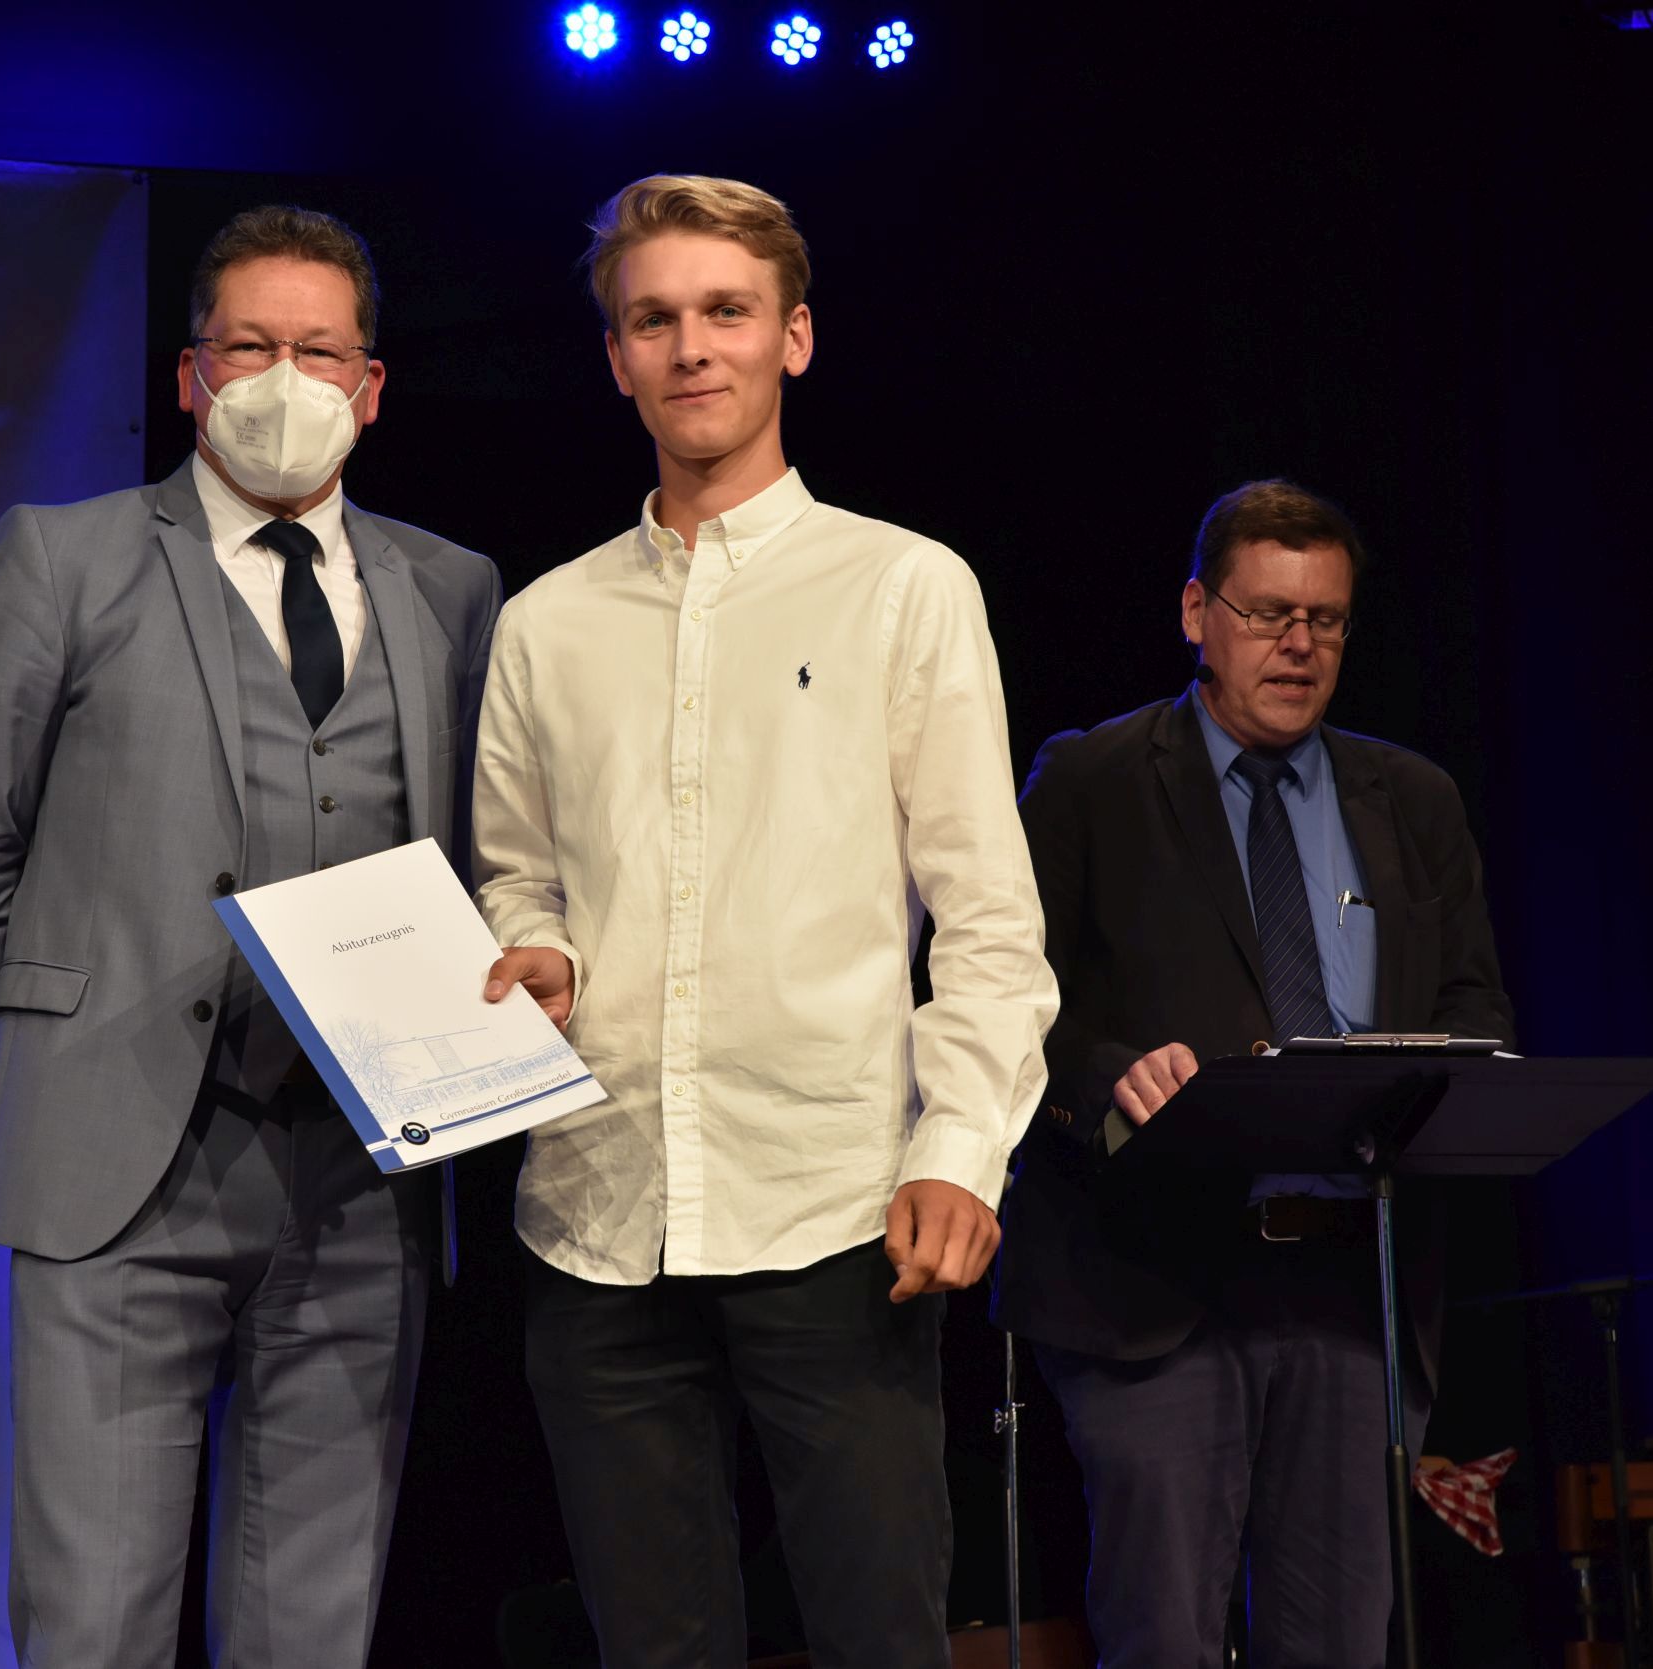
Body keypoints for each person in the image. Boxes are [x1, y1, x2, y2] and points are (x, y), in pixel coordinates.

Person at [0, 205, 498, 1668]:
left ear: (369, 386)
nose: (283, 379)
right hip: (122, 1174)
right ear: (189, 375)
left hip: (361, 1179)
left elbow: (481, 865)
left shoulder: (450, 588)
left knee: (315, 1627)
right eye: (248, 346)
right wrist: (84, 1040)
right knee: (96, 1621)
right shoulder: (65, 558)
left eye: (318, 351)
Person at [474, 174, 1059, 1669]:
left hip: (834, 1203)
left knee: (877, 1637)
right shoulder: (545, 622)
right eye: (652, 319)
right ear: (615, 356)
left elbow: (988, 915)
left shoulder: (903, 586)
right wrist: (537, 947)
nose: (691, 347)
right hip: (600, 1209)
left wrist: (960, 1148)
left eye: (726, 311)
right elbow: (517, 875)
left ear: (793, 337)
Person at [994, 479, 1516, 1668]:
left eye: (1324, 619)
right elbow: (1006, 993)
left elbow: (1473, 1002)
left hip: (1354, 1287)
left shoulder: (1412, 798)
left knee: (1336, 1640)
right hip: (1153, 1282)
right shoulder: (1092, 780)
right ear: (1197, 613)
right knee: (1164, 1637)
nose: (1297, 644)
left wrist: (1433, 1075)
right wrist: (1113, 1074)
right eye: (1268, 613)